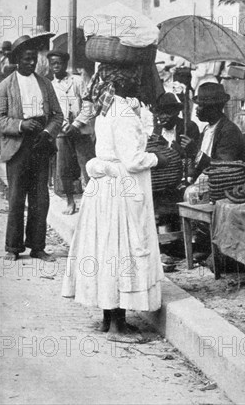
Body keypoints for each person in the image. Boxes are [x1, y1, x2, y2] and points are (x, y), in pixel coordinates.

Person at [62, 62, 169, 343]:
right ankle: (116, 327)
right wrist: (159, 158)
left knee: (107, 250)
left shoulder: (107, 110)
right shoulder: (123, 114)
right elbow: (133, 160)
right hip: (120, 191)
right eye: (134, 82)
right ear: (122, 84)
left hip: (104, 189)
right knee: (122, 252)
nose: (138, 86)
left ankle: (110, 319)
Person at [0, 35, 63, 262]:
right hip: (17, 146)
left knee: (40, 198)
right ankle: (13, 248)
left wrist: (47, 133)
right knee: (16, 198)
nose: (31, 63)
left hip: (40, 144)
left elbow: (57, 115)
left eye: (33, 59)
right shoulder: (5, 86)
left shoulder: (45, 83)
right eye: (26, 59)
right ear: (16, 60)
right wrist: (20, 125)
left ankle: (37, 247)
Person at [47, 50, 96, 215]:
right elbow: (50, 111)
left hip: (80, 130)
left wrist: (76, 124)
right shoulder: (50, 86)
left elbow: (88, 105)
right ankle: (70, 201)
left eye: (58, 63)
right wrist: (62, 125)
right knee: (64, 168)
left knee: (88, 166)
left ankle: (93, 204)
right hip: (62, 132)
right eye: (52, 63)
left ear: (65, 63)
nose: (55, 66)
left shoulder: (78, 81)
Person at [183, 82, 245, 178]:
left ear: (212, 108)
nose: (196, 109)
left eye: (200, 105)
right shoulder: (207, 129)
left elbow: (223, 168)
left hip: (222, 186)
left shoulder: (229, 131)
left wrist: (195, 152)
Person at [153, 92, 199, 160]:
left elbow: (193, 154)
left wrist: (170, 147)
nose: (164, 116)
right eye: (161, 113)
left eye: (168, 112)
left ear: (177, 112)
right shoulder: (157, 130)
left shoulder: (188, 127)